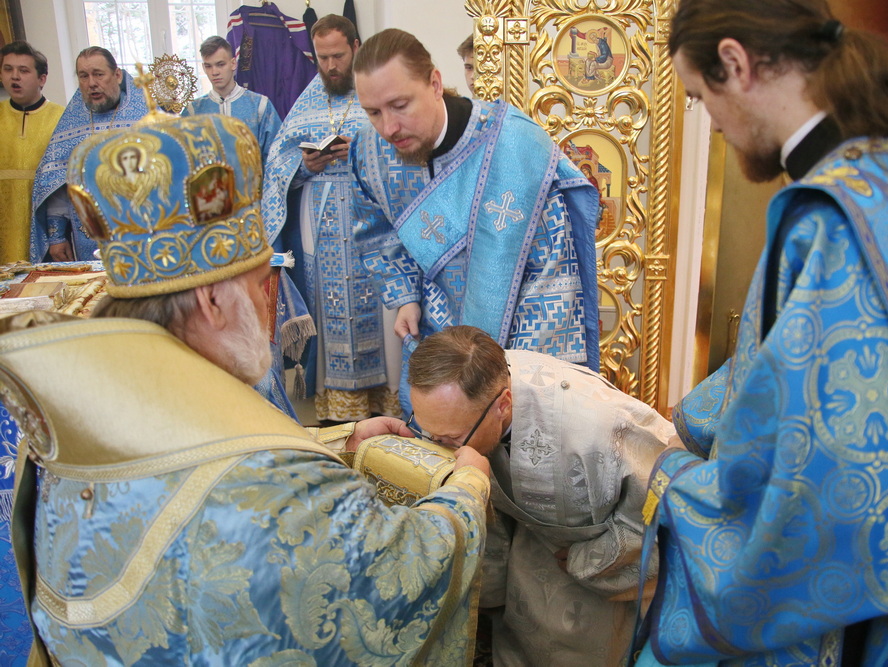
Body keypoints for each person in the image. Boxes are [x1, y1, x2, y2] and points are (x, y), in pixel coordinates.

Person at [2, 87, 491, 666]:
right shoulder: (286, 493)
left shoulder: (75, 416)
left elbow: (192, 453)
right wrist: (467, 488)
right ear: (212, 303)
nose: (272, 305)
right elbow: (398, 575)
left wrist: (338, 443)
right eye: (264, 284)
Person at [632, 1, 888, 665]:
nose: (711, 122)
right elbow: (801, 362)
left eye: (699, 96)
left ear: (735, 64)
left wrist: (672, 477)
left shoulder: (833, 216)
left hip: (872, 611)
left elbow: (831, 480)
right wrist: (688, 421)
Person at [351, 28, 602, 415]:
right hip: (434, 334)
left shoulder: (513, 146)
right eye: (373, 112)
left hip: (517, 341)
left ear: (435, 83)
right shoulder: (369, 153)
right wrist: (404, 296)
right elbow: (377, 230)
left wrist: (514, 377)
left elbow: (552, 273)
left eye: (400, 105)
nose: (388, 128)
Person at [408, 325, 673, 666]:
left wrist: (586, 559)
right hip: (525, 561)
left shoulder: (601, 427)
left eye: (450, 438)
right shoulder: (474, 394)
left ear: (503, 405)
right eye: (428, 431)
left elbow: (661, 513)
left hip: (592, 579)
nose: (440, 448)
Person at [264, 14, 399, 423]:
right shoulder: (308, 99)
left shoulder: (378, 91)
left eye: (338, 56)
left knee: (385, 307)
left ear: (356, 48)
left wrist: (362, 151)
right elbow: (277, 163)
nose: (330, 66)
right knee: (330, 307)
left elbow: (404, 149)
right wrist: (304, 165)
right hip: (321, 225)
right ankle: (339, 410)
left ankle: (387, 403)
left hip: (373, 219)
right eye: (322, 58)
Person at [30, 47, 147, 263]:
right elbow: (57, 184)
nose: (91, 83)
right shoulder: (71, 124)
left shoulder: (144, 118)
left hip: (141, 232)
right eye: (83, 76)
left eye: (98, 74)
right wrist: (56, 236)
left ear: (117, 75)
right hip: (87, 236)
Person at [0, 41, 63, 265]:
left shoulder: (61, 118)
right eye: (8, 69)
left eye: (24, 70)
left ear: (42, 79)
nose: (14, 77)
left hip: (42, 221)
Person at [182, 36, 281, 165]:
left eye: (220, 64)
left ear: (233, 63)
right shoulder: (193, 111)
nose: (214, 72)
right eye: (208, 66)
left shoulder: (260, 106)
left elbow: (276, 157)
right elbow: (183, 160)